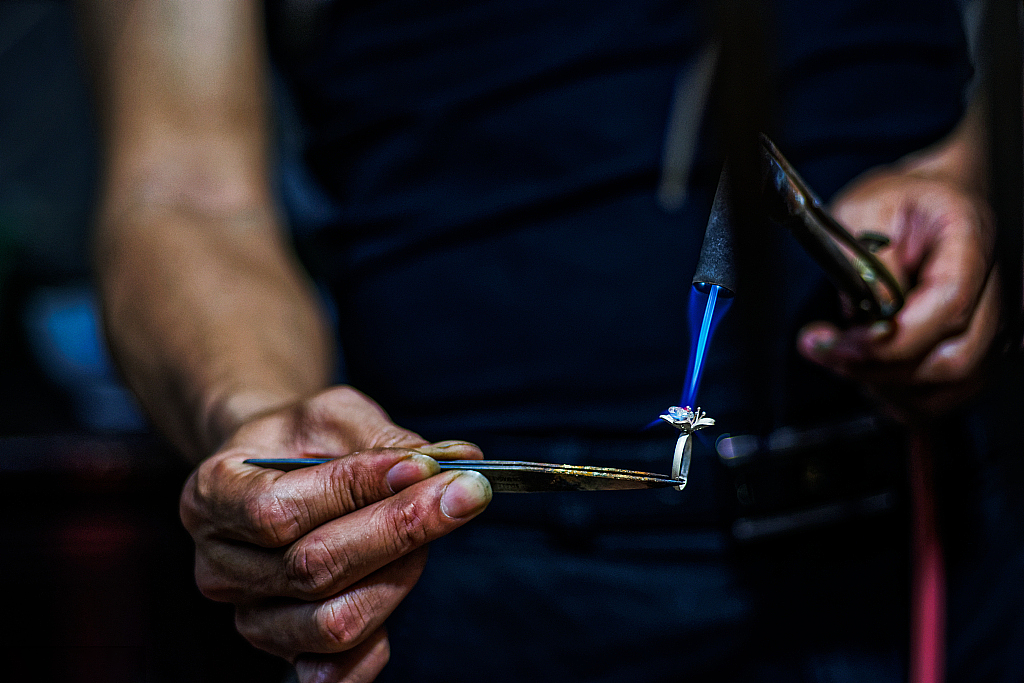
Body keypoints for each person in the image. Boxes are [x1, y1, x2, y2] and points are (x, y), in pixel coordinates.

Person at [81, 1, 1001, 681]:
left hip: (942, 542)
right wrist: (259, 413)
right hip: (479, 581)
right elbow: (182, 191)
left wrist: (957, 183)